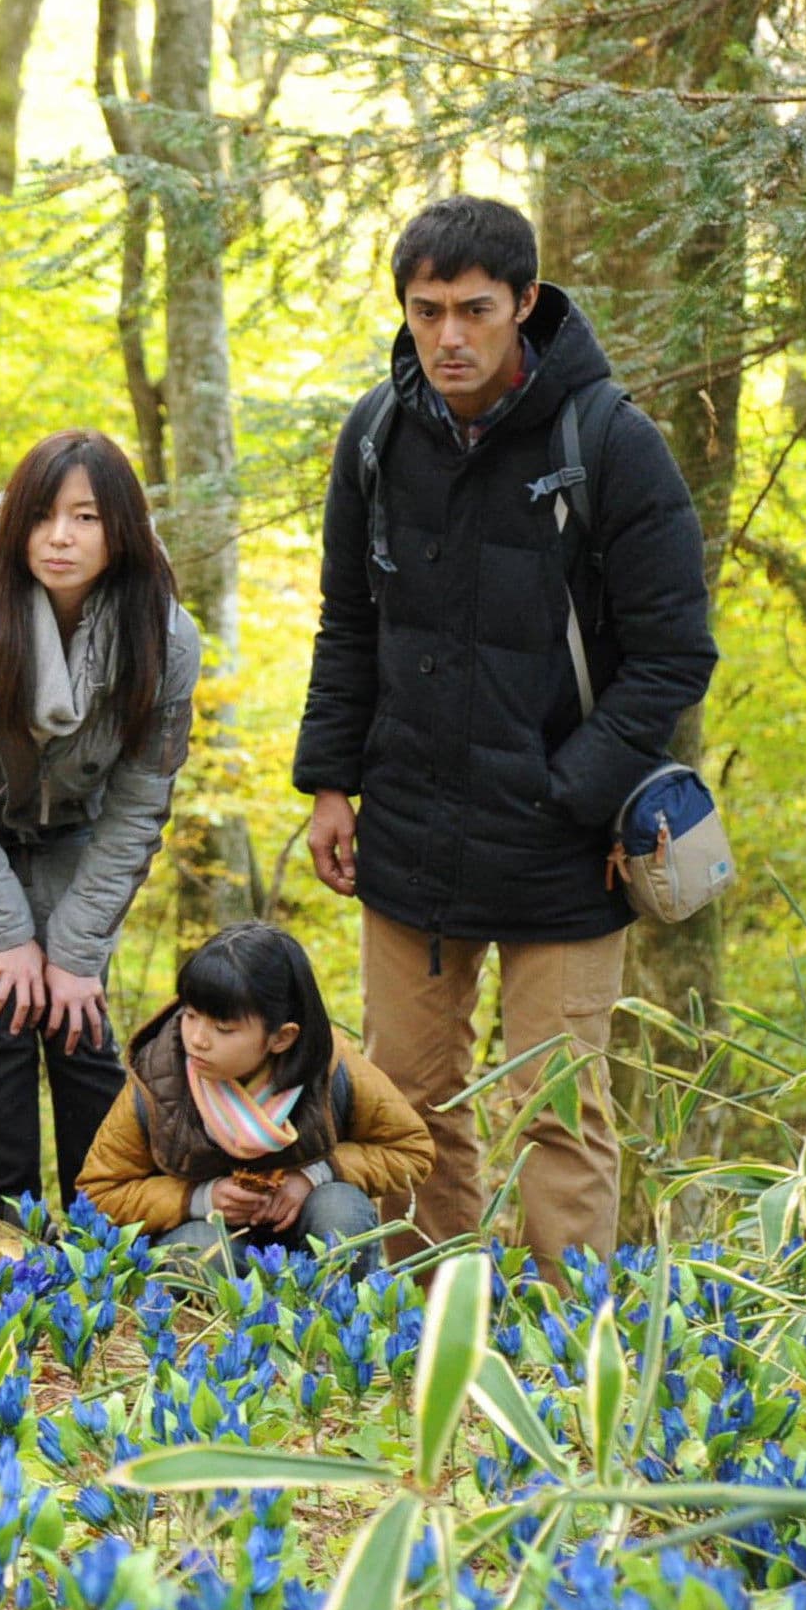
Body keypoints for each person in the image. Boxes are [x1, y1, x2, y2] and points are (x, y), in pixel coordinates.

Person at [293, 196, 716, 1271]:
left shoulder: (608, 442)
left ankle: (570, 1344)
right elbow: (348, 622)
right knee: (405, 1099)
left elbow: (674, 656)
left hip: (565, 845)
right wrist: (330, 784)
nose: (449, 336)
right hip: (412, 832)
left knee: (556, 1107)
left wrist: (569, 789)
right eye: (427, 310)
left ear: (525, 303)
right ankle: (433, 1318)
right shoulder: (377, 435)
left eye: (475, 310)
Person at [0, 429, 203, 1216]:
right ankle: (9, 1222)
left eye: (86, 517)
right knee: (4, 1007)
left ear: (120, 528)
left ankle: (97, 1226)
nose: (61, 537)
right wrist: (7, 936)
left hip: (76, 830)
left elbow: (139, 805)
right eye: (42, 515)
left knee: (78, 1018)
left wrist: (74, 950)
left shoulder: (164, 636)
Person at [77, 922, 435, 1260]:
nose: (197, 1039)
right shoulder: (159, 1078)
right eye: (190, 1015)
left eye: (223, 1028)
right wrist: (201, 1199)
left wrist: (311, 1176)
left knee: (340, 1211)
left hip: (303, 1223)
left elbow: (411, 1149)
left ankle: (331, 1304)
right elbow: (98, 1193)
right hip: (206, 1230)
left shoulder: (334, 1069)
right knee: (201, 1251)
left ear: (282, 1037)